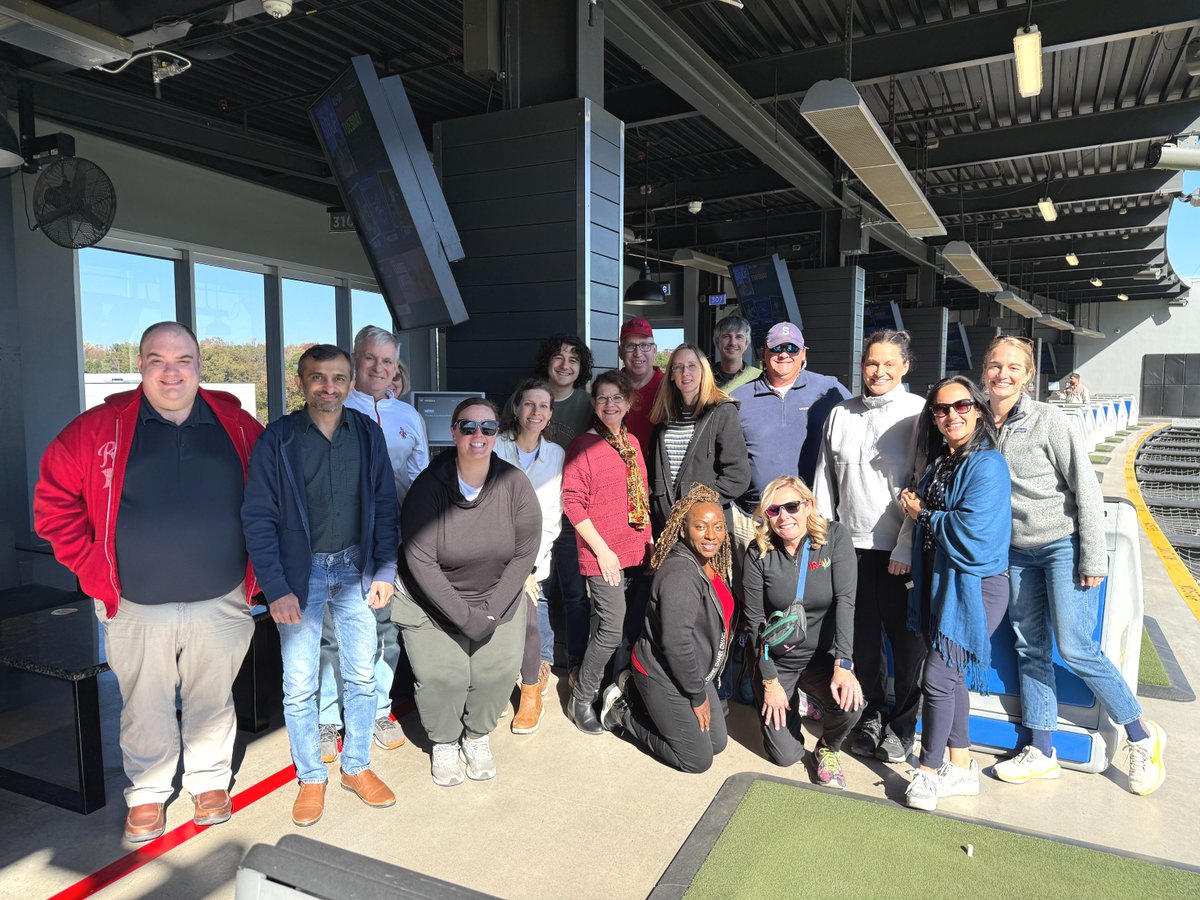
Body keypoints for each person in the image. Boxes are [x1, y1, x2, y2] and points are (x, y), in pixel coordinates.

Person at [34, 322, 263, 842]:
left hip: (221, 596)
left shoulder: (238, 426)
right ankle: (149, 792)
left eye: (182, 359)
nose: (171, 371)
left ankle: (208, 781)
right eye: (157, 360)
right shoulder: (99, 428)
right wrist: (91, 567)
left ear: (200, 365)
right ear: (140, 366)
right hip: (134, 601)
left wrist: (263, 573)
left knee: (212, 696)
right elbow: (52, 504)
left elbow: (273, 499)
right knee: (144, 701)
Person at [983, 337, 1166, 795]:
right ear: (984, 370)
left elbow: (1085, 487)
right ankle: (1042, 750)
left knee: (1077, 646)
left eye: (1013, 367)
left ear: (1028, 376)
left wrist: (1092, 555)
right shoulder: (979, 422)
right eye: (995, 365)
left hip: (1060, 546)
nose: (1002, 374)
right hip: (1015, 553)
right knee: (1030, 649)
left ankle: (1141, 734)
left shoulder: (1049, 420)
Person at [242, 344, 399, 826]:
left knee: (361, 674)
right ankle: (311, 776)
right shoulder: (279, 439)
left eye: (338, 378)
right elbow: (258, 519)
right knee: (299, 683)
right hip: (300, 575)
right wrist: (276, 587)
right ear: (301, 382)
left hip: (356, 569)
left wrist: (385, 571)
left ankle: (356, 766)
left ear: (351, 383)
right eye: (318, 378)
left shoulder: (368, 435)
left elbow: (386, 507)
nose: (328, 387)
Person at [394, 398, 541, 786]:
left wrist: (491, 612)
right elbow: (419, 558)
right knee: (446, 677)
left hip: (497, 598)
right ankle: (444, 743)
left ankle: (476, 737)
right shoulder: (430, 486)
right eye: (469, 427)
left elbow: (527, 549)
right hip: (432, 602)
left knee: (496, 673)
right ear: (454, 432)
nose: (479, 435)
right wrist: (464, 617)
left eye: (488, 428)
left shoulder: (514, 484)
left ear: (497, 433)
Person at [812, 330, 927, 764]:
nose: (878, 372)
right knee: (862, 644)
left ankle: (903, 727)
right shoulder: (841, 413)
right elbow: (824, 481)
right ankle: (872, 715)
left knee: (906, 643)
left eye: (888, 364)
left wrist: (905, 545)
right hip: (849, 546)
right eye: (871, 363)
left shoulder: (917, 413)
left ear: (904, 367)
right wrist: (824, 540)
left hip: (899, 550)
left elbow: (923, 485)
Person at [317, 325, 429, 764]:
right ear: (354, 360)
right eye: (370, 359)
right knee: (331, 635)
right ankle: (328, 719)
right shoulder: (332, 410)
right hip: (337, 544)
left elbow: (419, 484)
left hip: (391, 544)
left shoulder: (408, 417)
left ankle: (380, 711)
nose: (379, 368)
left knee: (385, 631)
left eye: (387, 361)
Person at [899, 376, 1011, 811]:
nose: (952, 416)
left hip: (975, 586)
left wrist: (922, 512)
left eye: (961, 406)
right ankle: (962, 768)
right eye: (942, 410)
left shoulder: (987, 464)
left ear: (978, 409)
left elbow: (975, 535)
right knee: (952, 678)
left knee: (939, 676)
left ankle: (926, 773)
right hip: (943, 581)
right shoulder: (944, 461)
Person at [599, 485, 733, 773]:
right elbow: (676, 643)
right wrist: (697, 697)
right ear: (683, 531)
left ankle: (645, 700)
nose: (711, 535)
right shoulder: (681, 574)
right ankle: (622, 712)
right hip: (662, 672)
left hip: (693, 671)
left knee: (717, 743)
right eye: (700, 526)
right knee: (697, 760)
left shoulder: (708, 563)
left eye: (718, 526)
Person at [743, 476, 863, 788]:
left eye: (792, 506)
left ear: (808, 505)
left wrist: (843, 664)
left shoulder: (834, 537)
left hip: (819, 658)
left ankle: (828, 749)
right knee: (785, 754)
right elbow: (755, 621)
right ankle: (794, 698)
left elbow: (846, 602)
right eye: (773, 510)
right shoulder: (758, 553)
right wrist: (769, 681)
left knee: (852, 703)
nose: (784, 516)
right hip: (777, 661)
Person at [562, 371, 654, 735]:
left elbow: (641, 495)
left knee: (618, 627)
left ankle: (608, 691)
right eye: (602, 398)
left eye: (617, 398)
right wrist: (603, 551)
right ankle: (581, 697)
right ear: (594, 404)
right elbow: (572, 502)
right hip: (603, 553)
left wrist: (647, 539)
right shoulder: (583, 446)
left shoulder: (631, 441)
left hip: (635, 549)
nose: (610, 404)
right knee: (610, 629)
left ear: (629, 402)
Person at [730, 321, 851, 561]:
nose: (784, 354)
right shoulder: (738, 398)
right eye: (776, 348)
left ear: (804, 352)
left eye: (792, 348)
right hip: (753, 518)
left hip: (810, 516)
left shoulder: (830, 390)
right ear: (763, 353)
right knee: (752, 592)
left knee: (808, 592)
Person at [495, 379, 565, 733]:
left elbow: (551, 515)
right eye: (529, 405)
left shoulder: (555, 455)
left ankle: (531, 690)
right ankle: (497, 686)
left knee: (531, 612)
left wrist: (530, 565)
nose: (535, 412)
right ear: (516, 408)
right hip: (493, 553)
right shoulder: (495, 447)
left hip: (535, 555)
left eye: (543, 406)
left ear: (550, 414)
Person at [648, 343, 749, 533]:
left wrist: (693, 499)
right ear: (671, 375)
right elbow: (653, 474)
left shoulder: (723, 411)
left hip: (706, 526)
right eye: (678, 367)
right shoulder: (664, 416)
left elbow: (738, 477)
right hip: (666, 523)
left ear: (704, 371)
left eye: (692, 366)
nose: (685, 372)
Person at [619, 317, 665, 453]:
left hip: (659, 472)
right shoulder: (609, 390)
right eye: (630, 346)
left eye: (645, 345)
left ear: (655, 350)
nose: (638, 353)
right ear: (620, 352)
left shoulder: (671, 389)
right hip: (617, 471)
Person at [711, 314, 761, 392]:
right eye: (726, 336)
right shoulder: (704, 375)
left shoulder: (759, 377)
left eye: (739, 337)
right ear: (717, 342)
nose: (733, 343)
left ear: (746, 344)